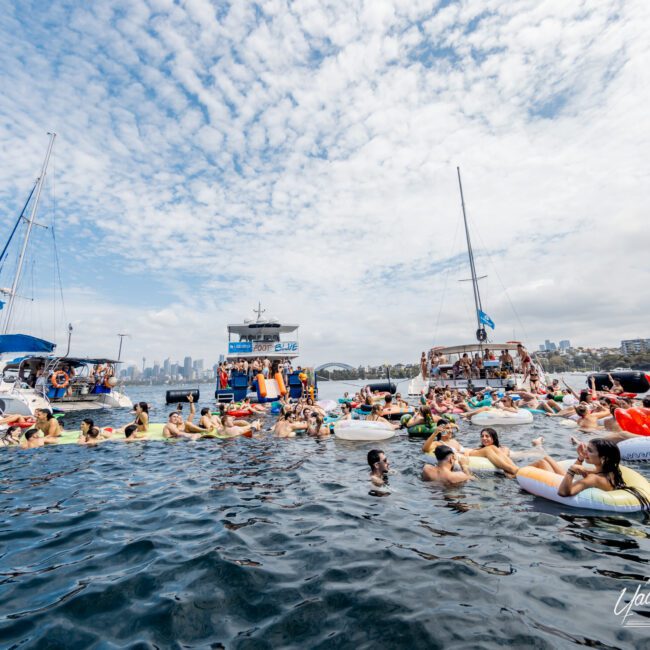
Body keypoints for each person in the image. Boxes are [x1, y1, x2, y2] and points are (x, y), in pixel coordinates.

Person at [529, 439, 650, 509]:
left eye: (590, 451)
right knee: (545, 459)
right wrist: (581, 458)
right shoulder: (611, 471)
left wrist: (571, 470)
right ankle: (536, 451)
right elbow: (583, 471)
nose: (586, 452)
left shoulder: (594, 479)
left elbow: (563, 492)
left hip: (579, 507)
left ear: (603, 458)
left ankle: (515, 473)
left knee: (542, 462)